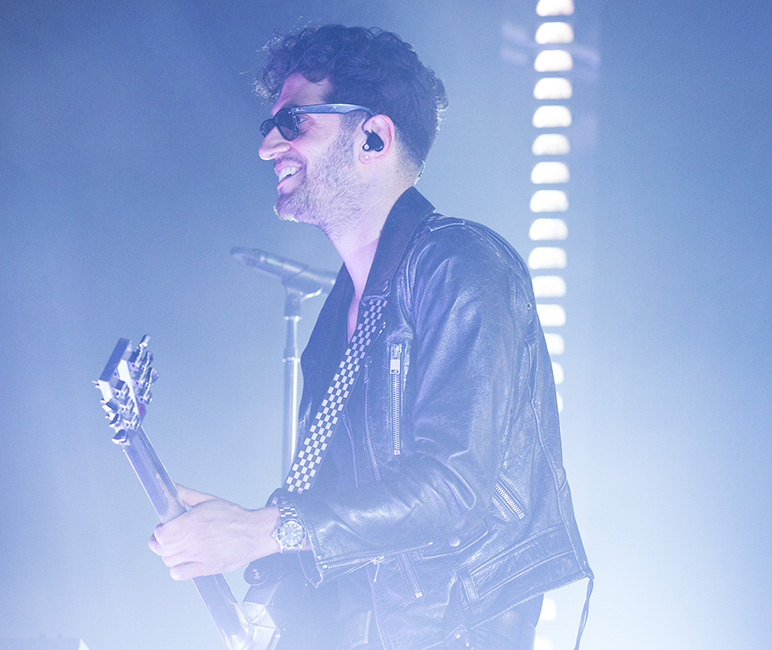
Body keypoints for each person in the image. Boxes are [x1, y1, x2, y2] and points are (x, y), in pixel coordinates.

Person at [148, 24, 591, 650]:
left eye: (295, 122)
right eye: (269, 126)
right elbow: (342, 516)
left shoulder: (462, 264)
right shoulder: (339, 317)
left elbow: (452, 488)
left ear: (375, 137)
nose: (269, 146)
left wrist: (266, 530)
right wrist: (245, 534)